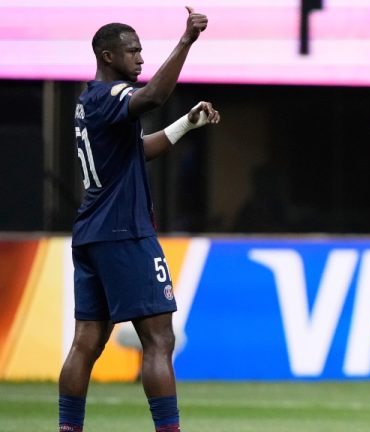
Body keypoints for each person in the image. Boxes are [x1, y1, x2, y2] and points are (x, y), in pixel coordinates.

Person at [59, 7, 220, 432]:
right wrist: (186, 41)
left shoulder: (89, 101)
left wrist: (186, 124)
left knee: (86, 341)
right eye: (132, 51)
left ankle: (67, 427)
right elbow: (153, 98)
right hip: (124, 231)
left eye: (141, 50)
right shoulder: (113, 95)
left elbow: (137, 151)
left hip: (91, 232)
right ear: (108, 56)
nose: (140, 58)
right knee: (159, 338)